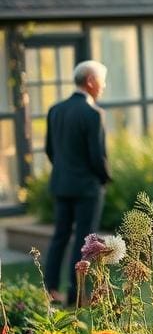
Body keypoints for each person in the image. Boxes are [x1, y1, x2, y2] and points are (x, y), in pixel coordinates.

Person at [43, 60, 111, 306]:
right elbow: (97, 156)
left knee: (59, 237)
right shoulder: (93, 113)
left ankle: (50, 290)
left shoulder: (55, 109)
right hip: (87, 188)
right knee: (85, 241)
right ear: (91, 81)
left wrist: (64, 170)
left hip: (61, 184)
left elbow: (50, 150)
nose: (104, 86)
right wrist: (105, 179)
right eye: (102, 80)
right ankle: (78, 294)